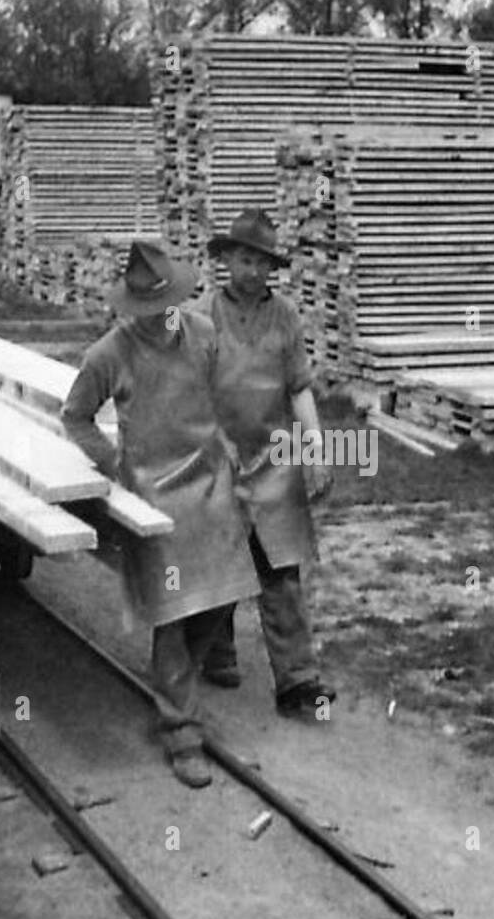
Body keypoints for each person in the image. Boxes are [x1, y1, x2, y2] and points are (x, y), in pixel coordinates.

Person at [60, 240, 259, 788]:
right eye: (149, 310)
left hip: (211, 479)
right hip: (153, 492)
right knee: (172, 610)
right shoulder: (109, 354)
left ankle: (188, 673)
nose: (160, 318)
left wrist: (235, 447)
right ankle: (180, 730)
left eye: (167, 304)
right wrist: (114, 465)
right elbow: (75, 417)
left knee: (228, 587)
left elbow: (227, 399)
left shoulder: (204, 337)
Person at [198, 208, 336, 720]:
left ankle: (298, 680)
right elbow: (191, 389)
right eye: (243, 258)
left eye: (261, 261)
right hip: (220, 456)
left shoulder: (286, 316)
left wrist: (317, 449)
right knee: (221, 563)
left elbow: (299, 387)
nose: (252, 269)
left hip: (275, 459)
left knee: (280, 569)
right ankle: (217, 653)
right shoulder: (205, 313)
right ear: (227, 259)